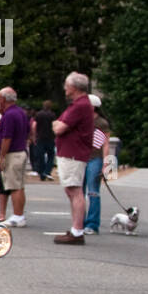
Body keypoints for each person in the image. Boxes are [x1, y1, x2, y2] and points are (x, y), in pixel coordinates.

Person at [52, 72, 96, 245]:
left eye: (66, 85)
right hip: (72, 152)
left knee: (75, 191)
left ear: (74, 87)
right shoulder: (81, 104)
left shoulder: (80, 105)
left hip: (73, 153)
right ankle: (76, 229)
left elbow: (59, 127)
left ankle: (77, 231)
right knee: (72, 190)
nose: (65, 88)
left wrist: (57, 124)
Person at [0, 87, 28, 227]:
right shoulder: (20, 112)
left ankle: (17, 215)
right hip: (21, 151)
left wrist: (2, 157)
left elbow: (7, 138)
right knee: (19, 185)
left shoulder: (9, 115)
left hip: (12, 153)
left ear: (4, 99)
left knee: (14, 186)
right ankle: (19, 214)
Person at [83, 94, 112, 235]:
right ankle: (79, 221)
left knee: (93, 191)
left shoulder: (101, 122)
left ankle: (92, 223)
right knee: (79, 192)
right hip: (81, 158)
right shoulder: (82, 120)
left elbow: (106, 145)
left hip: (95, 159)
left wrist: (106, 164)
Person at [29, 100, 58, 181]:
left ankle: (42, 173)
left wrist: (34, 136)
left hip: (40, 138)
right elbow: (55, 125)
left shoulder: (38, 114)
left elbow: (34, 126)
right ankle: (47, 171)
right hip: (50, 138)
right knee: (51, 155)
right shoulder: (52, 115)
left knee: (40, 156)